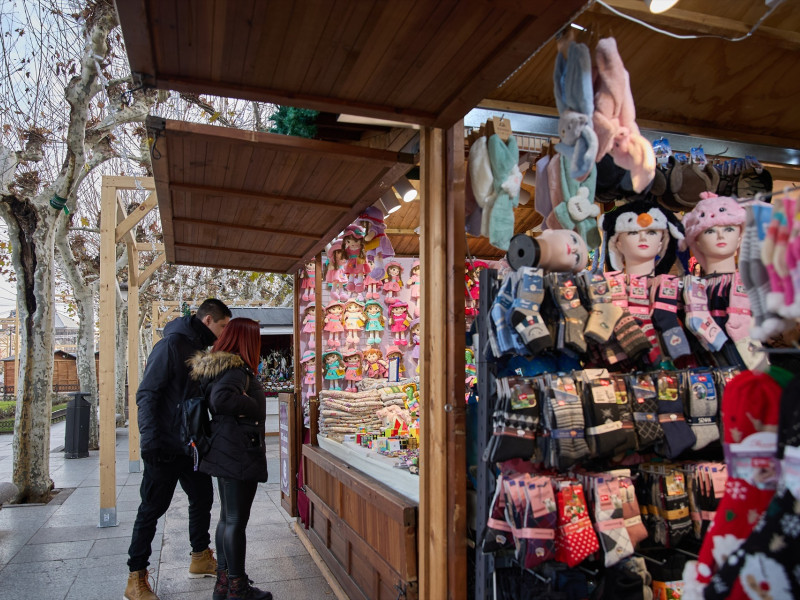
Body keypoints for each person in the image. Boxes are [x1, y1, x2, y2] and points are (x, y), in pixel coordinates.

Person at [124, 299, 232, 600]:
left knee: (202, 497)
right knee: (152, 509)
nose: (224, 332)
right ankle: (135, 578)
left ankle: (199, 557)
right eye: (222, 326)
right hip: (164, 444)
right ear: (208, 320)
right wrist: (149, 441)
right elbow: (147, 393)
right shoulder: (171, 345)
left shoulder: (199, 346)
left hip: (191, 445)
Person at [188, 318, 271, 600]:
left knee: (227, 518)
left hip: (225, 450)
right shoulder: (236, 369)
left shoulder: (222, 367)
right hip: (237, 452)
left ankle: (224, 583)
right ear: (247, 339)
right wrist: (255, 405)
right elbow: (221, 400)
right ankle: (237, 587)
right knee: (235, 520)